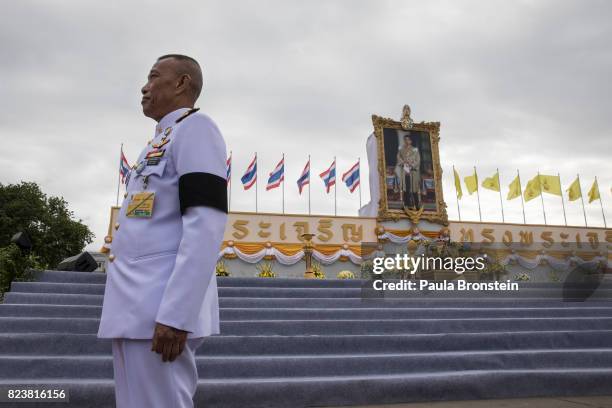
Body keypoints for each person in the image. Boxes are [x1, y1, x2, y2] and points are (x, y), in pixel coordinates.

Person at [97, 54, 228, 408]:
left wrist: (177, 314)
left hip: (160, 312)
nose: (145, 86)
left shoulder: (196, 129)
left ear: (182, 83)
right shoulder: (157, 142)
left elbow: (206, 224)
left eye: (154, 76)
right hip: (134, 308)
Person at [395, 134, 421, 208]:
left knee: (414, 188)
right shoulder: (401, 149)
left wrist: (411, 164)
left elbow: (418, 160)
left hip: (413, 172)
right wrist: (403, 162)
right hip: (405, 171)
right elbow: (398, 157)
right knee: (406, 188)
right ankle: (406, 204)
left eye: (408, 140)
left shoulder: (415, 150)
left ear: (411, 141)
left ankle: (416, 204)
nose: (406, 141)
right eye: (405, 139)